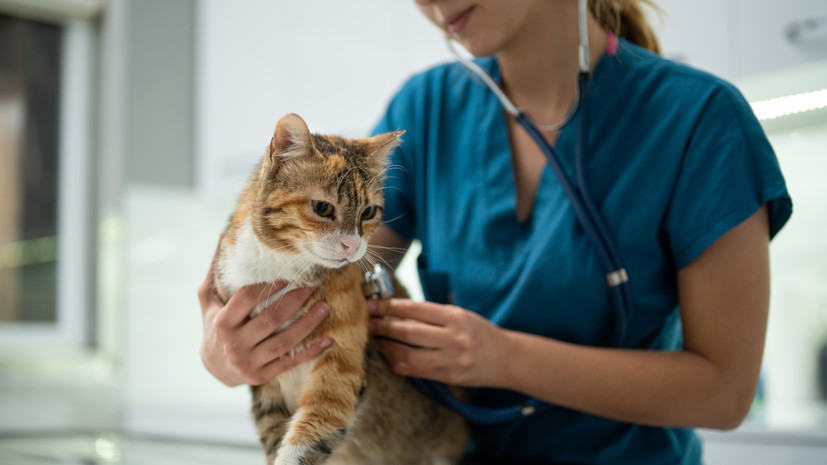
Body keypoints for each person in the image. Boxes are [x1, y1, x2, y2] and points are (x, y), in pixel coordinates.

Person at [197, 1, 792, 463]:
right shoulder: (428, 107)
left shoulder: (702, 121)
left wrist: (502, 359)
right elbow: (331, 276)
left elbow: (724, 392)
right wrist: (228, 352)